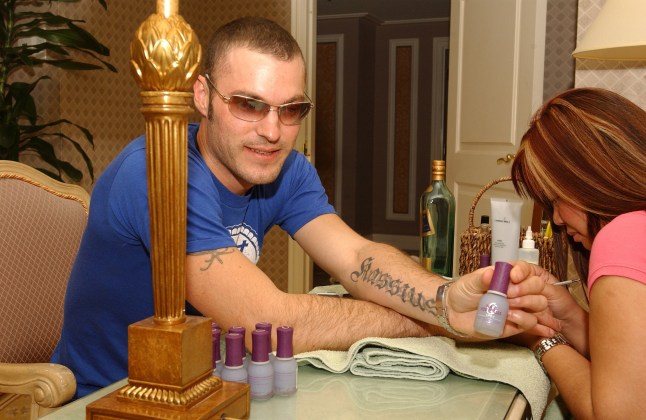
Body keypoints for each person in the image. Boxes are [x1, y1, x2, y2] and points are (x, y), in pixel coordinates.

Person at [51, 16, 554, 398]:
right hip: (114, 399)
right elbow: (263, 319)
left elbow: (356, 259)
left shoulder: (285, 169)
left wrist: (446, 297)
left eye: (291, 110)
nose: (273, 131)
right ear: (202, 95)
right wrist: (436, 321)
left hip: (211, 387)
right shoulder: (158, 172)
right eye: (249, 104)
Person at [510, 87, 646, 418]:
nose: (556, 220)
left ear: (593, 176)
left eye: (557, 199)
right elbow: (631, 369)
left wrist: (540, 342)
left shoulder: (624, 234)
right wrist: (567, 315)